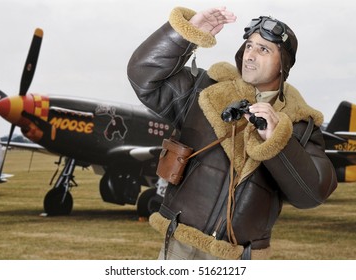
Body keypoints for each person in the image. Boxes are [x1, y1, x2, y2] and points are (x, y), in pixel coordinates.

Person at [127, 6, 337, 260]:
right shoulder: (204, 89)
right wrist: (187, 33)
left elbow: (312, 194)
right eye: (249, 46)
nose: (250, 55)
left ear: (283, 64)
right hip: (180, 245)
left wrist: (277, 140)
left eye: (263, 49)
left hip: (242, 256)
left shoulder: (300, 124)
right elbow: (143, 74)